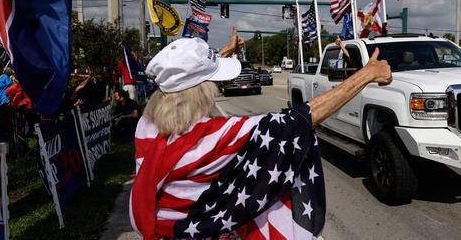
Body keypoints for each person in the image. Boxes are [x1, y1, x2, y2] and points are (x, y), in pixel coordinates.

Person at [130, 27, 392, 239]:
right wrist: (366, 74)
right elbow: (302, 118)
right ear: (202, 89)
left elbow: (185, 80)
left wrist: (222, 55)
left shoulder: (147, 128)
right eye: (212, 83)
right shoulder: (214, 138)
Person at [0, 62, 12, 143]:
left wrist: (10, 99)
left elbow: (11, 88)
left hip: (5, 100)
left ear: (1, 69)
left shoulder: (5, 77)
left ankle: (5, 135)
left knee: (2, 115)